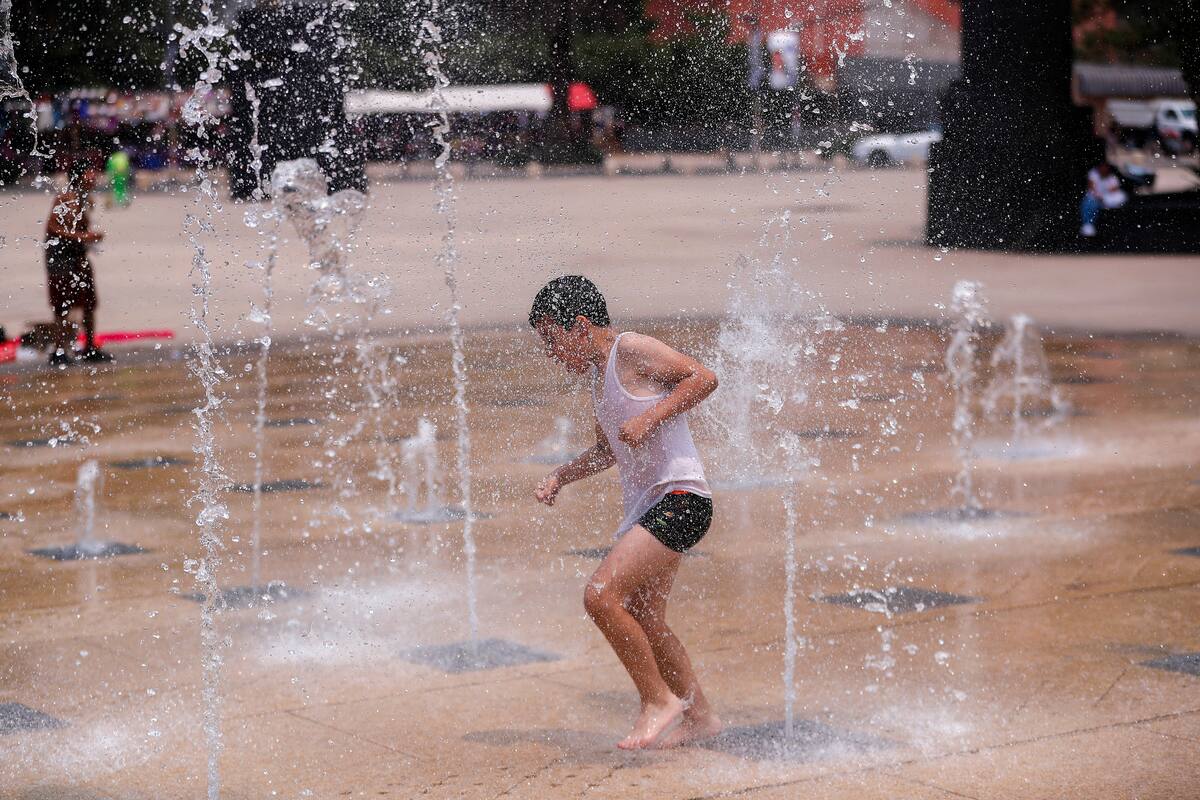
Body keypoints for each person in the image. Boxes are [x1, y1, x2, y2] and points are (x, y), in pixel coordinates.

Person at [529, 275, 722, 750]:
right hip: (652, 506)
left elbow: (704, 377)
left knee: (600, 596)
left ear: (578, 327)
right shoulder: (600, 379)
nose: (551, 356)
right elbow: (609, 449)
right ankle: (701, 718)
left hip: (681, 498)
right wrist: (562, 475)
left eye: (552, 342)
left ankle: (658, 700)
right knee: (646, 616)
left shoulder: (630, 349)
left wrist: (651, 416)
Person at [44, 160, 112, 366]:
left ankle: (89, 347)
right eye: (90, 172)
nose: (94, 176)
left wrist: (84, 238)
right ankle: (58, 350)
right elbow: (53, 227)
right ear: (80, 176)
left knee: (89, 303)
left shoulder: (84, 199)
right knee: (62, 306)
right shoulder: (65, 198)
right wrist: (84, 236)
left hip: (78, 259)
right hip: (61, 261)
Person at [1080, 161, 1127, 238]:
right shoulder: (1093, 174)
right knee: (1089, 203)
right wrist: (1099, 196)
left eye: (1106, 167)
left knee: (1120, 197)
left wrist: (1104, 196)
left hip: (1106, 199)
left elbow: (1114, 190)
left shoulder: (1112, 177)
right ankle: (1088, 225)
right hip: (1093, 198)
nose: (1104, 169)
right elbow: (1091, 188)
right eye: (1103, 167)